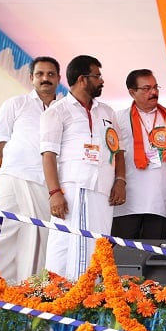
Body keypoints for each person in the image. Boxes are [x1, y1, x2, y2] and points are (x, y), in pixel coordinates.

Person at [42, 55, 125, 279]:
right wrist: (54, 193)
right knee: (68, 245)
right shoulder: (57, 111)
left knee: (98, 245)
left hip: (103, 191)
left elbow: (118, 151)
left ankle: (92, 297)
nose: (102, 81)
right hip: (73, 188)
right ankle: (60, 297)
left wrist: (120, 181)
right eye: (97, 76)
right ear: (82, 79)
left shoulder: (107, 111)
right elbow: (48, 155)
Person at [0, 57, 61, 282]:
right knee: (3, 231)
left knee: (40, 235)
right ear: (31, 78)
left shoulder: (64, 109)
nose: (45, 79)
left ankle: (30, 288)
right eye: (40, 74)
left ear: (58, 79)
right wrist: (20, 164)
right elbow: (1, 141)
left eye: (50, 74)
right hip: (13, 177)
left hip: (45, 184)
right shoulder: (15, 104)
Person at [111, 69, 166, 240]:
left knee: (154, 256)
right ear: (132, 92)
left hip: (161, 198)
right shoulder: (118, 118)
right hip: (128, 199)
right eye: (147, 88)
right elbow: (113, 155)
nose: (154, 92)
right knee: (123, 254)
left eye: (155, 87)